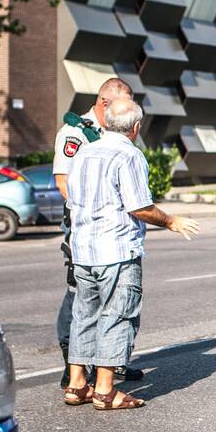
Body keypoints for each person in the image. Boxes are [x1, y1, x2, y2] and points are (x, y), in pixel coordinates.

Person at [62, 99, 199, 410]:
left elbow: (71, 199)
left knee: (83, 316)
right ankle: (105, 391)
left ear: (106, 122)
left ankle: (77, 385)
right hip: (116, 250)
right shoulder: (129, 154)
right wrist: (171, 221)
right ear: (136, 128)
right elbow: (138, 206)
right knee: (118, 315)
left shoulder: (83, 153)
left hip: (82, 250)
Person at [51, 77, 142, 388]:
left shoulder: (114, 129)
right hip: (86, 224)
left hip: (114, 229)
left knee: (115, 297)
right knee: (80, 293)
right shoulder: (76, 132)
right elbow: (64, 182)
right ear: (105, 103)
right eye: (124, 106)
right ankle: (73, 365)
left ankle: (110, 362)